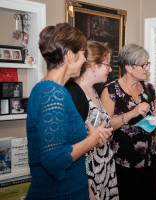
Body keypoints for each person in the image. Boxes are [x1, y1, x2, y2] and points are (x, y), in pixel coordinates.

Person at [26, 23, 112, 200]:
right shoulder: (52, 94)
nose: (84, 61)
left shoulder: (55, 90)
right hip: (58, 194)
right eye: (82, 54)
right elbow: (55, 160)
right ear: (70, 56)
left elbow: (61, 141)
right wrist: (93, 139)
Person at [101, 43, 156, 200]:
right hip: (124, 160)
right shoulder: (110, 90)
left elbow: (155, 114)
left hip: (151, 157)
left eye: (147, 64)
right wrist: (132, 113)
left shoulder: (149, 88)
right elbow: (106, 125)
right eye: (143, 65)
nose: (147, 68)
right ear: (129, 67)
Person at [65, 40, 119, 200]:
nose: (110, 69)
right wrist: (87, 191)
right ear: (93, 66)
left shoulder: (95, 91)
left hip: (104, 170)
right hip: (87, 174)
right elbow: (70, 145)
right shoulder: (74, 94)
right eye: (107, 64)